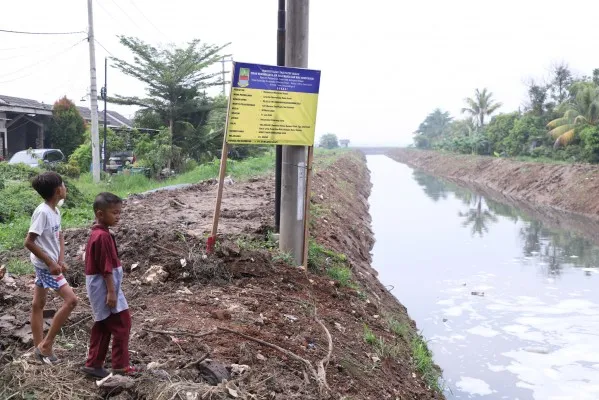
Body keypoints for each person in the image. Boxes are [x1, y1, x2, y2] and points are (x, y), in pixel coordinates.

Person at [81, 192, 138, 378]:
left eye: (119, 212)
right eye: (115, 213)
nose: (118, 216)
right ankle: (120, 367)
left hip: (102, 285)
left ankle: (94, 364)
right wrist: (111, 292)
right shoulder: (102, 237)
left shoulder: (101, 233)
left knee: (103, 324)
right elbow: (106, 268)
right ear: (100, 214)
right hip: (105, 286)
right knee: (122, 323)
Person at [25, 172, 78, 365]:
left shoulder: (55, 211)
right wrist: (50, 262)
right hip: (44, 267)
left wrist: (60, 259)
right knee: (72, 301)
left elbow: (59, 236)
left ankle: (38, 347)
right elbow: (29, 242)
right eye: (64, 185)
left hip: (49, 265)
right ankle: (46, 346)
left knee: (37, 304)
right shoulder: (43, 212)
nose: (65, 187)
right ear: (58, 190)